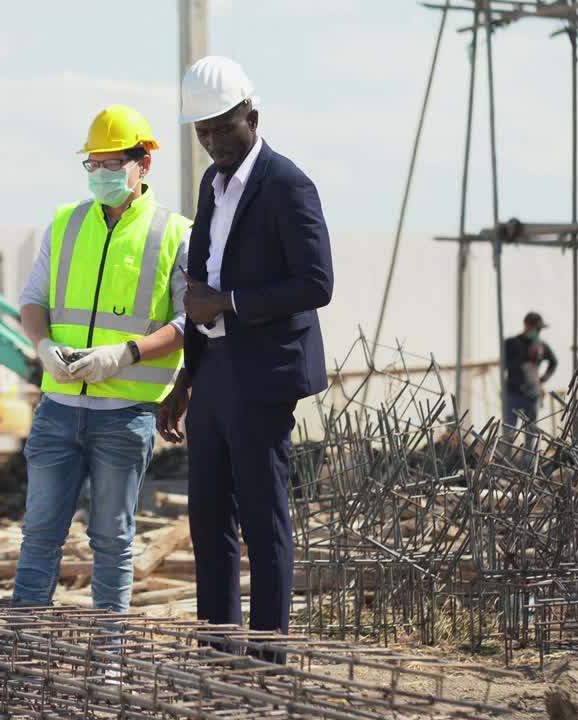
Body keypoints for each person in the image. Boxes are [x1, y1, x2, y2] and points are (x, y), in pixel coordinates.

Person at [157, 56, 334, 642]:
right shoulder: (212, 186)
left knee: (263, 520)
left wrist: (230, 302)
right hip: (213, 372)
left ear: (251, 117)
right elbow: (199, 290)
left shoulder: (287, 185)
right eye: (201, 131)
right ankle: (218, 653)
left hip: (263, 374)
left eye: (221, 128)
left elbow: (316, 284)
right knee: (208, 519)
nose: (211, 142)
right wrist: (184, 383)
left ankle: (266, 661)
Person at [12, 105, 192, 613]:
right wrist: (43, 347)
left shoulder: (175, 233)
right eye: (94, 165)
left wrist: (124, 354)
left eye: (114, 165)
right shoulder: (66, 223)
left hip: (126, 415)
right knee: (40, 532)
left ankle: (107, 655)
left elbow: (189, 323)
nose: (102, 175)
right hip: (58, 409)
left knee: (112, 539)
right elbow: (33, 300)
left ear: (144, 165)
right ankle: (23, 647)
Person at [502, 311, 558, 449]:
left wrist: (542, 379)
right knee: (509, 430)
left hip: (532, 395)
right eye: (536, 328)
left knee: (531, 431)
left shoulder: (540, 346)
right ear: (527, 325)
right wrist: (523, 357)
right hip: (513, 392)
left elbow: (553, 362)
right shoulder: (512, 343)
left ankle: (528, 462)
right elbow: (504, 365)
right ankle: (506, 459)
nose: (538, 332)